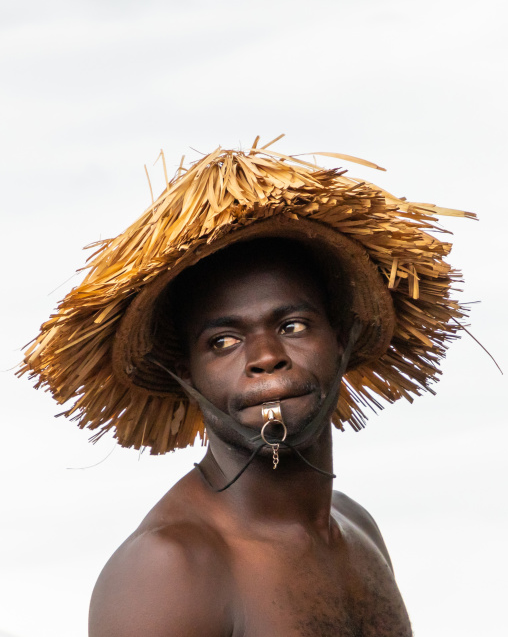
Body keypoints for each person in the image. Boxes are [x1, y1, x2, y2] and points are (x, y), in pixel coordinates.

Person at [19, 138, 472, 636]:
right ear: (186, 372)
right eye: (224, 341)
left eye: (293, 326)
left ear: (341, 338)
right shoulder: (170, 570)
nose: (264, 357)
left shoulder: (356, 529)